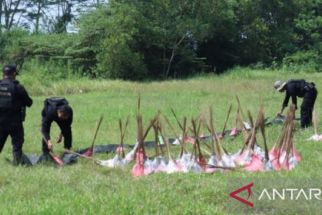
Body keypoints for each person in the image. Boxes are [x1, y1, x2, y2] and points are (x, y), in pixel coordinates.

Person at [0, 65, 33, 165]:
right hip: (15, 121)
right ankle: (17, 163)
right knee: (17, 143)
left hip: (0, 121)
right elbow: (29, 103)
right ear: (14, 74)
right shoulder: (17, 87)